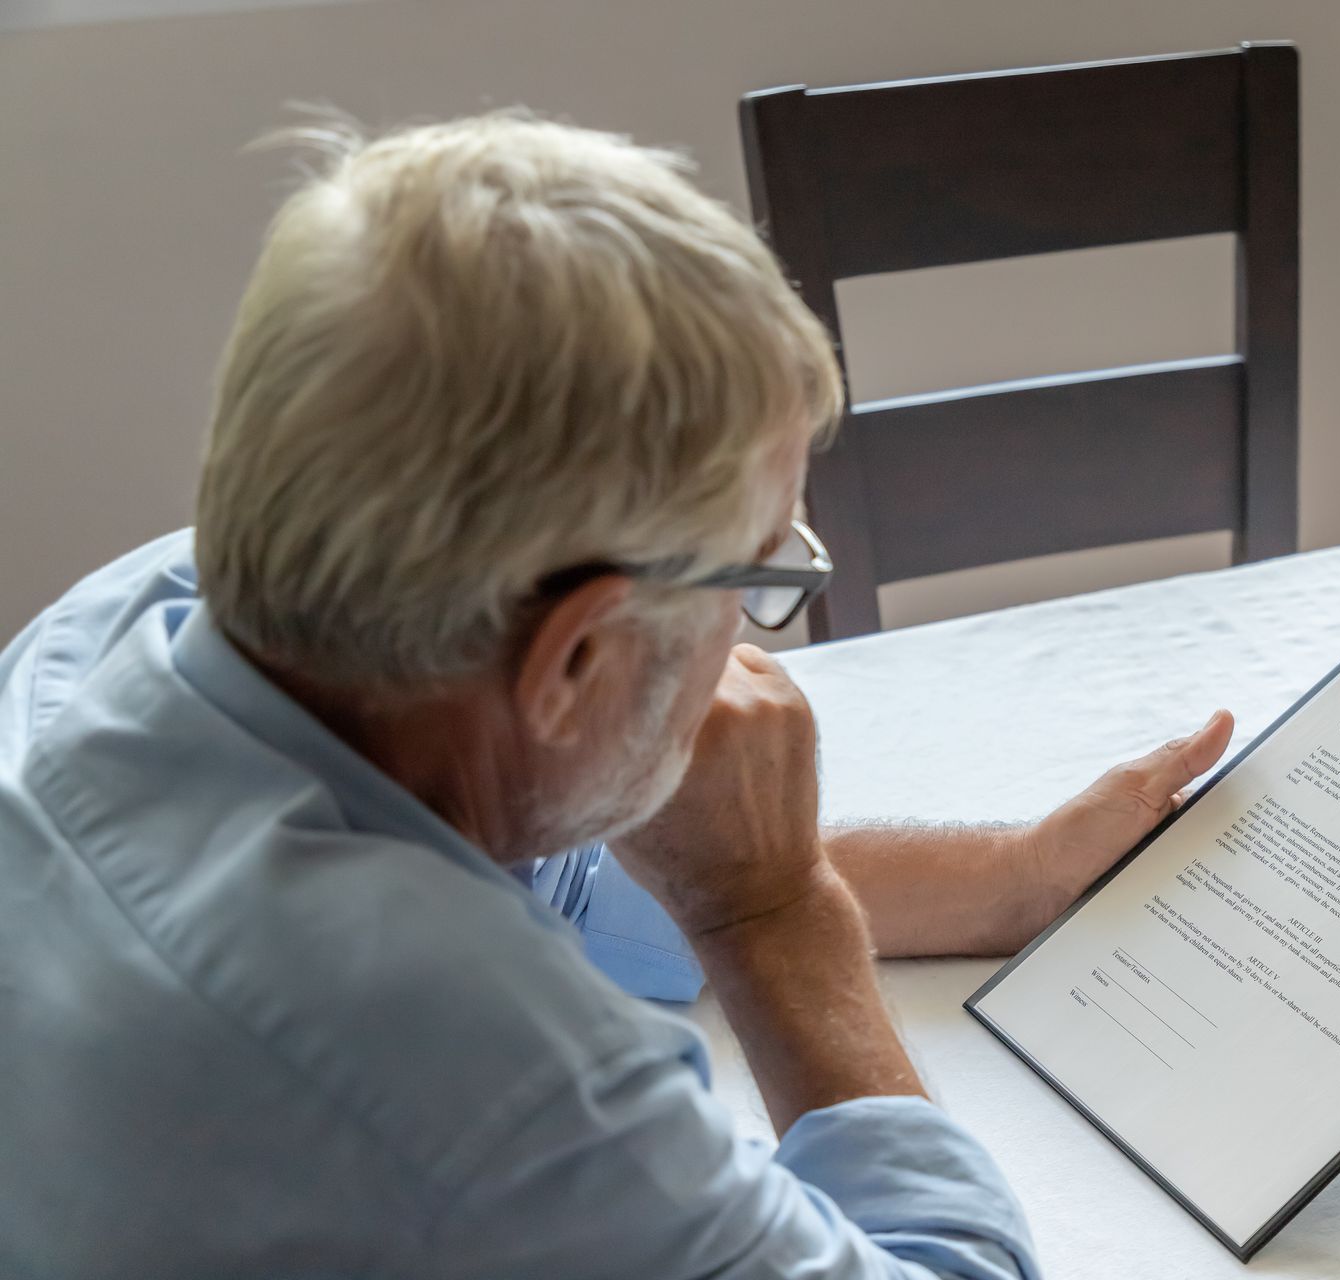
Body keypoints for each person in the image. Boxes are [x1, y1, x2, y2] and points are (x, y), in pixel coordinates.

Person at [0, 111, 1234, 1277]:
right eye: (760, 571)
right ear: (577, 660)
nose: (760, 636)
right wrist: (775, 914)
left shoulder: (157, 617)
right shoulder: (469, 1064)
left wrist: (1011, 875)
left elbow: (583, 889)